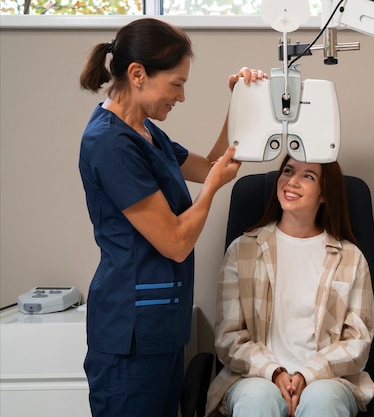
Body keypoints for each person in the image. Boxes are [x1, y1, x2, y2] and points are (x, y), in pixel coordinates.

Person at [78, 17, 266, 417]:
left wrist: (240, 101)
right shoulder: (110, 142)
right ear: (138, 74)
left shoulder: (145, 132)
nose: (181, 97)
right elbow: (176, 242)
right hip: (129, 337)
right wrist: (212, 188)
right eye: (176, 84)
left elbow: (215, 163)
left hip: (160, 329)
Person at [206, 154, 374, 417]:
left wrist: (308, 375)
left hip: (327, 380)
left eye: (308, 176)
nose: (291, 181)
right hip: (255, 378)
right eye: (287, 171)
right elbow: (228, 338)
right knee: (258, 399)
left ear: (324, 194)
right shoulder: (242, 251)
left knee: (322, 400)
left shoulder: (351, 259)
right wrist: (274, 373)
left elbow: (357, 343)